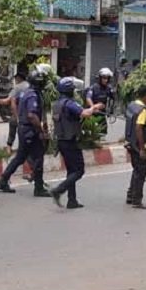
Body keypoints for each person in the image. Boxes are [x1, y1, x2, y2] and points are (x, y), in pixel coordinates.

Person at [0, 67, 51, 197]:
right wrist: (40, 130)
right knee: (38, 157)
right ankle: (38, 188)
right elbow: (32, 115)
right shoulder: (32, 95)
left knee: (20, 157)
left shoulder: (28, 92)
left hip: (24, 129)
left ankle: (3, 180)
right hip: (30, 130)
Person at [51, 77, 102, 209]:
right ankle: (59, 190)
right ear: (70, 91)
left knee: (71, 171)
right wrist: (94, 106)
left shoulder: (57, 104)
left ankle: (71, 200)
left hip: (61, 141)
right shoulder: (69, 103)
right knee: (79, 171)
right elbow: (84, 113)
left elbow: (73, 115)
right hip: (70, 141)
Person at [124, 86, 146, 209]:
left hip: (130, 142)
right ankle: (137, 200)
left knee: (136, 169)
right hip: (138, 144)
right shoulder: (143, 110)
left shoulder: (132, 105)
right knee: (141, 172)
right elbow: (138, 128)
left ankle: (130, 195)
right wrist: (142, 149)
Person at [85, 67, 114, 135]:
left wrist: (111, 110)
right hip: (92, 115)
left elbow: (113, 99)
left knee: (103, 133)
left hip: (102, 114)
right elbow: (88, 98)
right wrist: (94, 107)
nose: (105, 80)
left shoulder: (109, 88)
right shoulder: (93, 87)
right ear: (100, 78)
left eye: (107, 78)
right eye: (104, 78)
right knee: (91, 134)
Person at [5, 72, 28, 153]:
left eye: (15, 79)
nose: (15, 81)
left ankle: (9, 147)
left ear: (18, 78)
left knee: (12, 128)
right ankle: (24, 149)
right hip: (28, 114)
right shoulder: (29, 86)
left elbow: (8, 101)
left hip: (18, 113)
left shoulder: (18, 87)